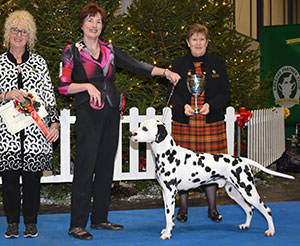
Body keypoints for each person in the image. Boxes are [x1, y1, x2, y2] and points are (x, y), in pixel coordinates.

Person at [58, 2, 180, 240]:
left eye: (99, 21)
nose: (95, 25)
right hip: (88, 115)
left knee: (105, 167)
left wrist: (165, 72)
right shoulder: (72, 51)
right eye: (90, 20)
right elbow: (63, 86)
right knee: (85, 168)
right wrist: (86, 86)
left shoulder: (109, 50)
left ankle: (100, 218)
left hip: (111, 113)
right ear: (82, 23)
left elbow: (137, 65)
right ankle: (77, 224)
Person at [0, 10, 60, 238]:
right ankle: (12, 223)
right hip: (8, 133)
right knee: (10, 180)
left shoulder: (39, 62)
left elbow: (49, 95)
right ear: (8, 33)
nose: (18, 34)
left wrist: (54, 123)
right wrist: (6, 94)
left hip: (36, 131)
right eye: (15, 30)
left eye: (23, 31)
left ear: (29, 36)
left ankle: (31, 223)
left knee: (33, 179)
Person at [168, 23, 231, 223]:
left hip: (210, 122)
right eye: (194, 39)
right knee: (182, 167)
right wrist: (182, 106)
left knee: (212, 165)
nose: (198, 43)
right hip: (185, 122)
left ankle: (213, 208)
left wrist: (211, 106)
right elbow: (170, 95)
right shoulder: (177, 65)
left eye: (201, 39)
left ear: (207, 41)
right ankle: (183, 208)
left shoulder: (218, 63)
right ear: (188, 43)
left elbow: (226, 93)